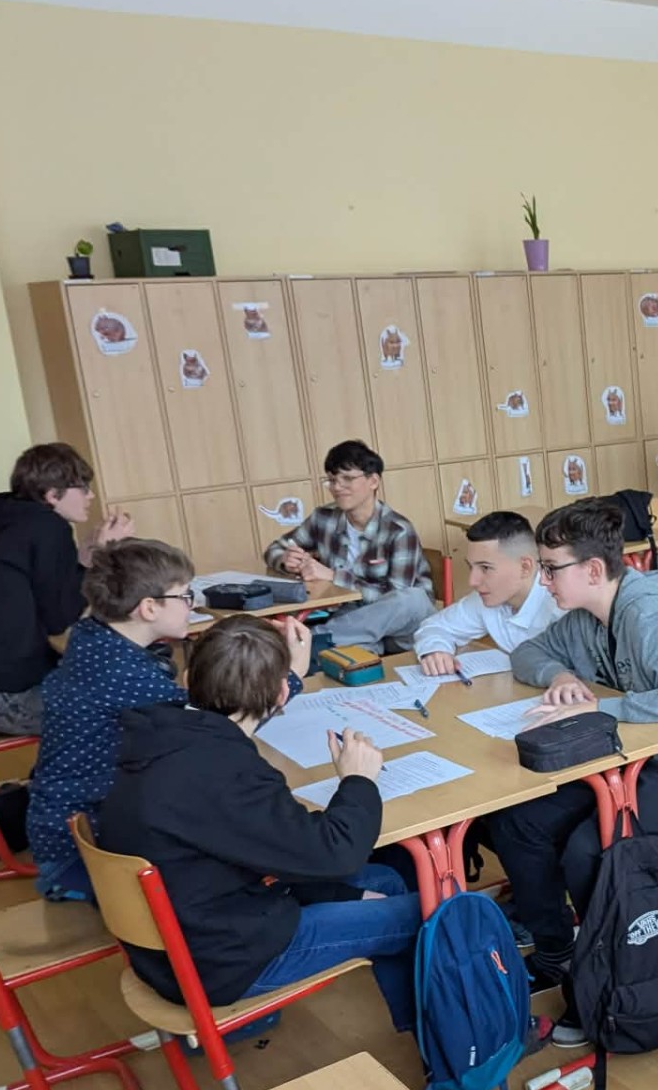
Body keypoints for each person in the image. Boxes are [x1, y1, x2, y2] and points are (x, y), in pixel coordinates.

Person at [494, 498, 658, 1045]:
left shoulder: (649, 616)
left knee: (591, 848)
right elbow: (526, 653)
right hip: (635, 760)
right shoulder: (584, 618)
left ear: (592, 570)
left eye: (551, 569)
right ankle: (559, 953)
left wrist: (601, 707)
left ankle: (613, 979)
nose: (543, 581)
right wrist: (560, 674)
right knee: (519, 819)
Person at [98, 616, 423, 1034]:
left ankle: (416, 1024)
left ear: (187, 677)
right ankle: (453, 1046)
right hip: (223, 960)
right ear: (282, 694)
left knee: (389, 882)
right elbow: (336, 854)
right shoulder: (226, 773)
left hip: (180, 939)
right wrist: (358, 780)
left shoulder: (159, 735)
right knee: (430, 910)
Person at [26, 540, 313, 904]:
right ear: (148, 608)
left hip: (64, 826)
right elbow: (217, 731)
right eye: (184, 596)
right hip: (84, 856)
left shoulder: (92, 638)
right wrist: (290, 676)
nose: (192, 605)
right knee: (247, 855)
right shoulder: (128, 678)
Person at [0, 443, 132, 735]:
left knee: (125, 688)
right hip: (11, 700)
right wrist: (103, 553)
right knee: (135, 704)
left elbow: (50, 594)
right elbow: (60, 619)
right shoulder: (47, 528)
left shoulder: (21, 523)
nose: (91, 496)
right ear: (52, 495)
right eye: (83, 488)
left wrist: (83, 560)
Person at [264, 439, 433, 653]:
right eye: (332, 480)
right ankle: (320, 643)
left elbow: (395, 598)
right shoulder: (323, 518)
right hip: (350, 622)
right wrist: (285, 559)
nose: (337, 487)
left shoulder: (398, 530)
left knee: (413, 599)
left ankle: (310, 639)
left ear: (373, 481)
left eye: (347, 479)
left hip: (404, 629)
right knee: (361, 648)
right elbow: (274, 549)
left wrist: (333, 576)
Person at [413, 511, 561, 672]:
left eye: (485, 568)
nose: (472, 581)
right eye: (471, 567)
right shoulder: (488, 598)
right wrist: (436, 650)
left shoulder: (560, 606)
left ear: (525, 567)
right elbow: (435, 626)